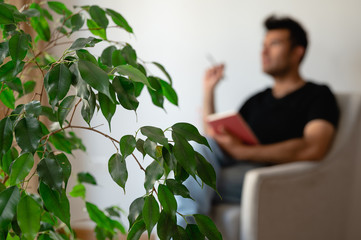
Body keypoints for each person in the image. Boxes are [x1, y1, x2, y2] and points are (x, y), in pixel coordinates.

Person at [176, 15, 340, 226]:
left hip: (273, 176)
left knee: (192, 181)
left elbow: (314, 147)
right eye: (263, 45)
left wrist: (243, 152)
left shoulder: (318, 95)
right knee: (198, 149)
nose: (263, 52)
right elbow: (213, 136)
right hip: (238, 167)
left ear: (297, 52)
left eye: (274, 44)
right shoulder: (257, 100)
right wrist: (209, 89)